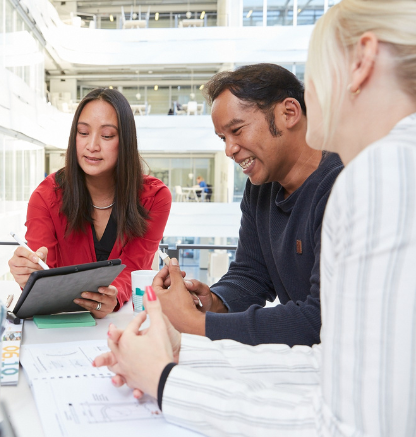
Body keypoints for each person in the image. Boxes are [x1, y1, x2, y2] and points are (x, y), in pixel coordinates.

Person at [96, 0, 416, 434]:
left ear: (360, 62)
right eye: (222, 137)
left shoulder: (371, 175)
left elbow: (328, 356)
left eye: (317, 77)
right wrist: (207, 310)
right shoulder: (267, 188)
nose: (229, 150)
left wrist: (190, 342)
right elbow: (257, 281)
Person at [159, 64, 343, 347]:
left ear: (289, 113)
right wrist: (213, 301)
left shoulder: (340, 186)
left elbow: (321, 319)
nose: (229, 149)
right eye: (223, 138)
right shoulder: (260, 190)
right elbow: (251, 274)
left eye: (236, 130)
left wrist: (198, 324)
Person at [8, 88, 171, 318]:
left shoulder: (154, 197)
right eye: (83, 132)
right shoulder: (45, 197)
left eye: (106, 136)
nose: (92, 145)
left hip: (121, 324)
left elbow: (135, 266)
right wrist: (28, 274)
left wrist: (113, 295)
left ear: (124, 141)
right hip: (59, 329)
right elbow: (45, 280)